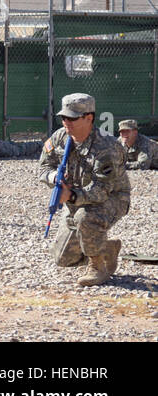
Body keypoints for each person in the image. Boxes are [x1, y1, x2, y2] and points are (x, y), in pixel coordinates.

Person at [38, 93, 129, 287]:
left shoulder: (107, 147)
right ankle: (105, 249)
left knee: (84, 219)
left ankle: (97, 267)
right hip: (77, 198)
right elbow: (44, 167)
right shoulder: (60, 137)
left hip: (111, 198)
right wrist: (55, 177)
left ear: (89, 118)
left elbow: (101, 191)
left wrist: (70, 196)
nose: (66, 122)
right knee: (63, 259)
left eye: (72, 118)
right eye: (63, 117)